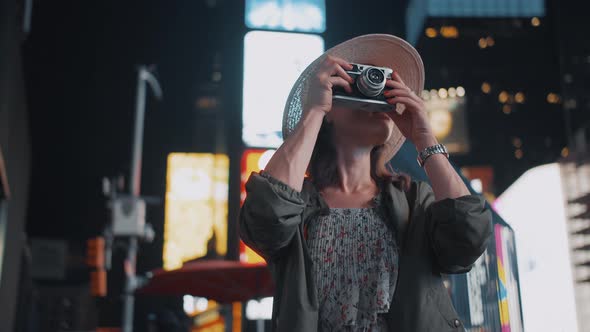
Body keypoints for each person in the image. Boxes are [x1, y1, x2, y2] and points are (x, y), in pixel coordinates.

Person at [239, 34, 492, 332]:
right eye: (358, 83)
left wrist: (424, 138)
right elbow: (263, 222)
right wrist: (315, 110)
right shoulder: (297, 206)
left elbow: (469, 239)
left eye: (384, 88)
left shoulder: (413, 200)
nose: (378, 97)